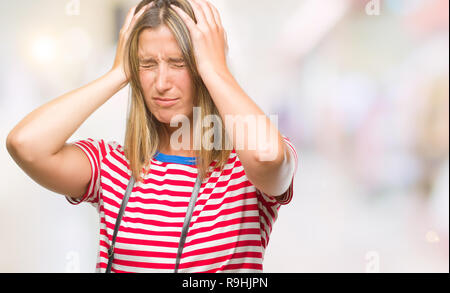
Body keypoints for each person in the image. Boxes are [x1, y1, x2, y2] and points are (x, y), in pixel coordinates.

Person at [6, 0, 298, 273]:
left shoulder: (242, 171)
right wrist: (118, 72)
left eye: (178, 62)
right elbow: (26, 144)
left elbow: (268, 156)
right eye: (147, 64)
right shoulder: (112, 165)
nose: (161, 83)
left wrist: (217, 69)